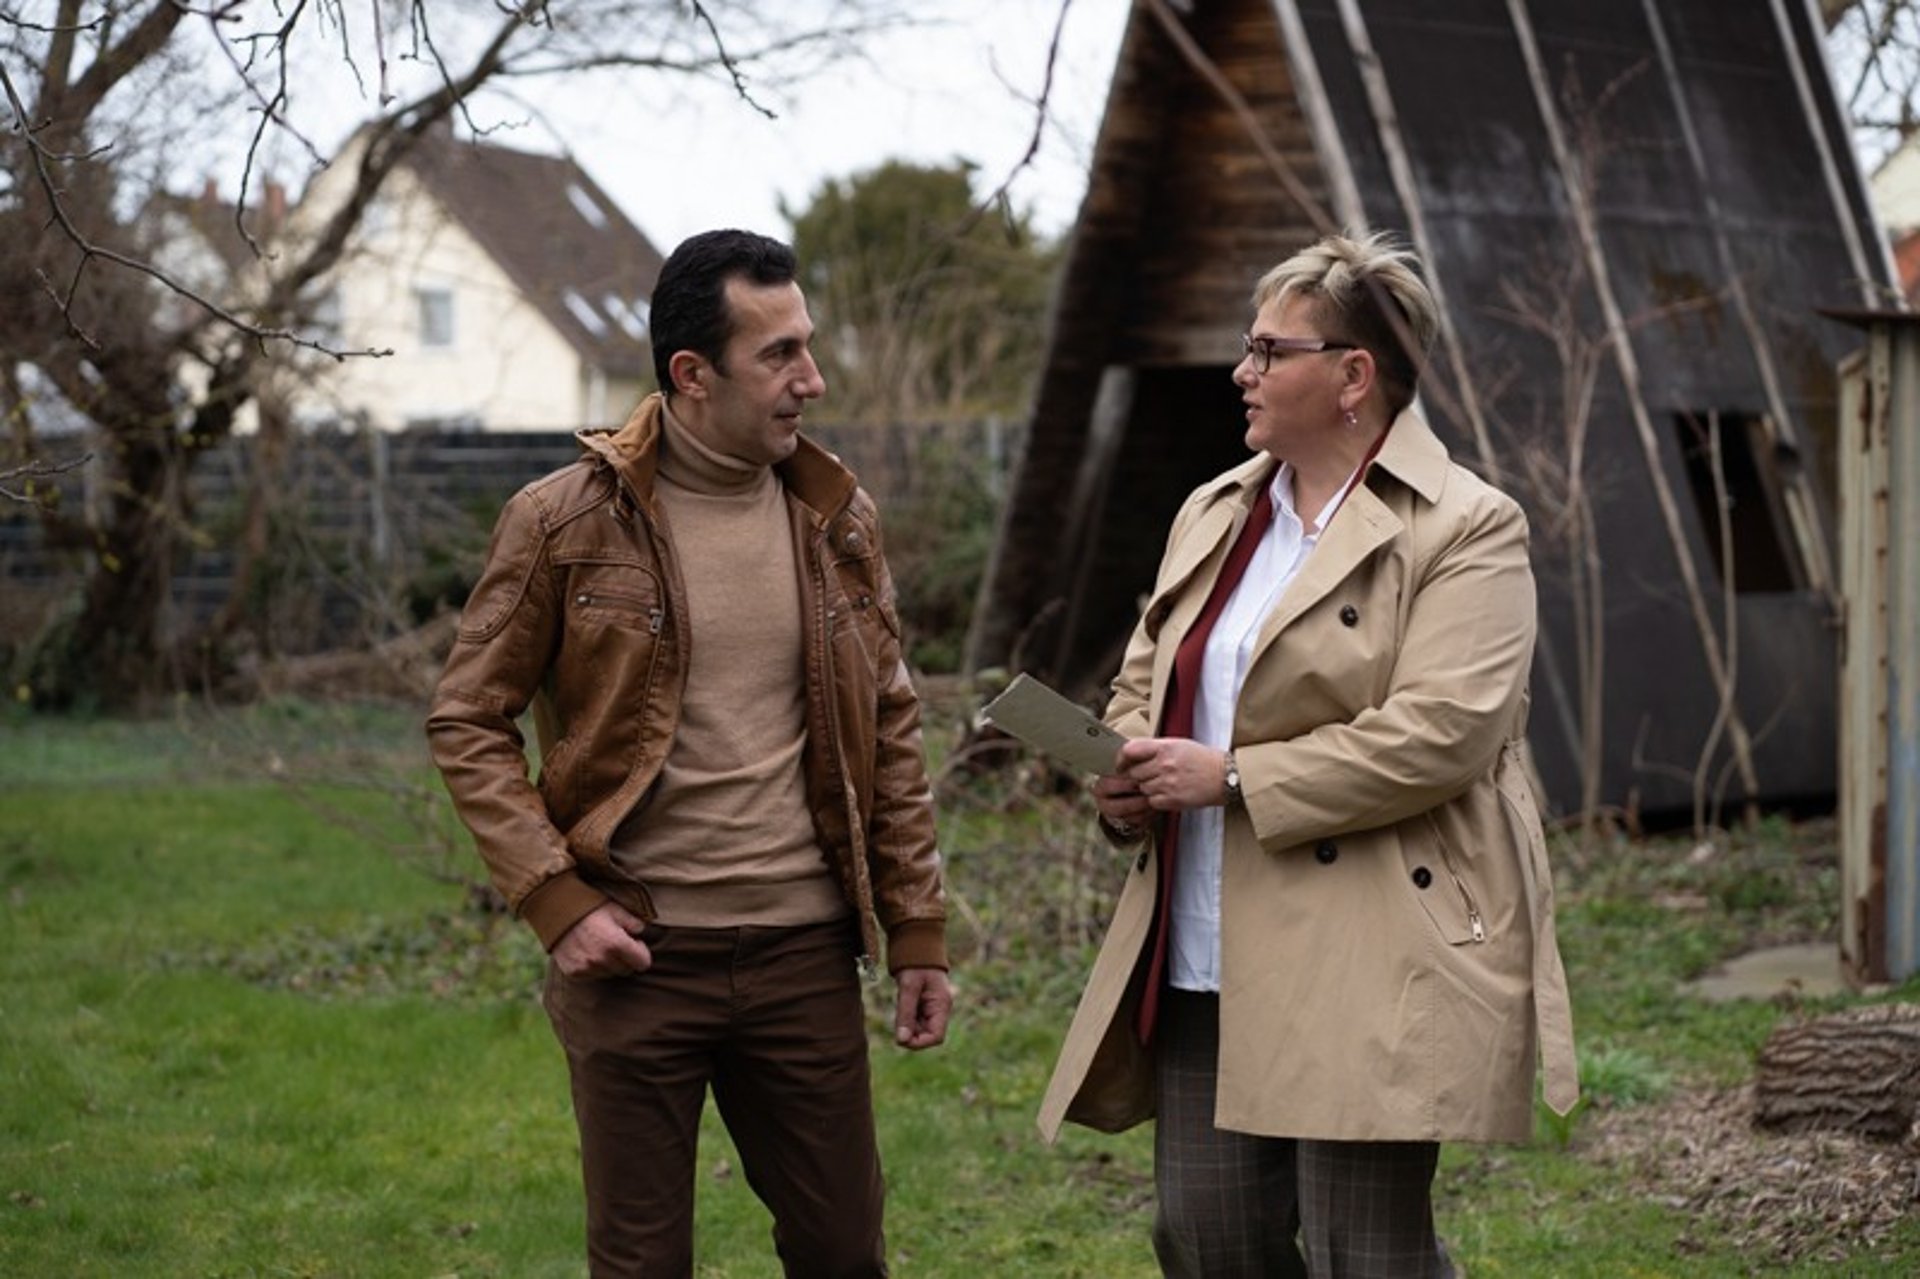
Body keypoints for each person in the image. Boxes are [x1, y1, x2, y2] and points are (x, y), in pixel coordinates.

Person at [1035, 231, 1578, 1277]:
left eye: (1267, 349)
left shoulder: (1467, 526)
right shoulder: (1215, 510)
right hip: (1204, 937)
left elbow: (1445, 733)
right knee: (1206, 1234)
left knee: (1364, 1253)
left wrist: (1232, 776)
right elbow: (1149, 677)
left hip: (1371, 939)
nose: (1242, 370)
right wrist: (1125, 776)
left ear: (1352, 376)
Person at [427, 228, 951, 1278]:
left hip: (804, 955)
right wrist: (557, 903)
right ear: (691, 374)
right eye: (781, 355)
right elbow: (465, 717)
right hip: (638, 958)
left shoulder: (836, 519)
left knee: (845, 1254)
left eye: (807, 345)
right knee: (640, 1263)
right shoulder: (562, 520)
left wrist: (919, 926)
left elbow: (888, 724)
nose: (813, 377)